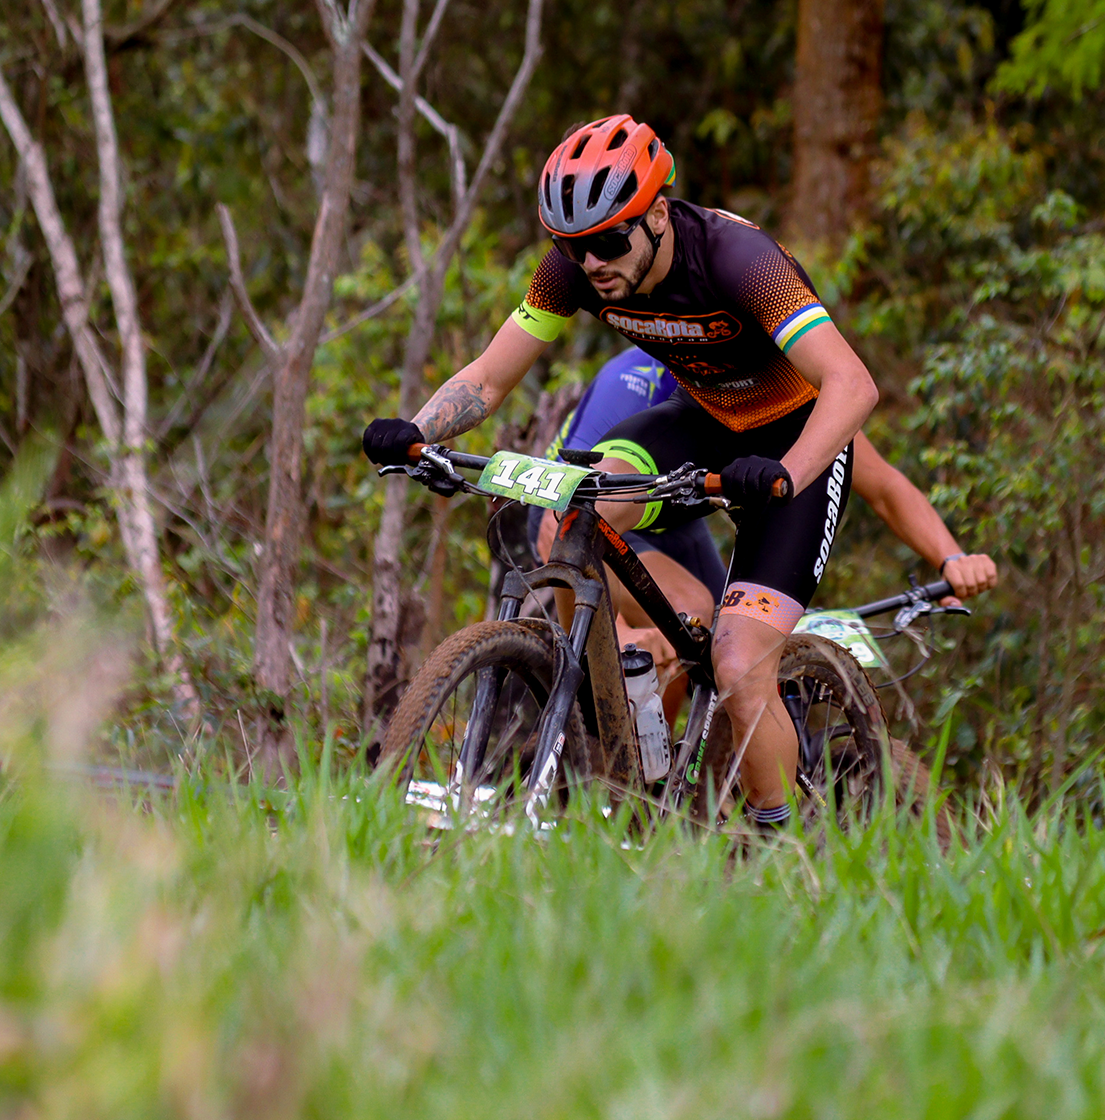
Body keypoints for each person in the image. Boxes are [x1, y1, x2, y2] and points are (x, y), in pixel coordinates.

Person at [364, 114, 882, 831]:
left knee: (736, 662)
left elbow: (853, 386)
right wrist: (417, 433)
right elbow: (489, 377)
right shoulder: (575, 268)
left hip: (793, 441)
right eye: (572, 249)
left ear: (659, 216)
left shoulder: (738, 260)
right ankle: (623, 719)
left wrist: (788, 475)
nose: (593, 262)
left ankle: (786, 851)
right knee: (581, 505)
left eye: (609, 241)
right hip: (702, 421)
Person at [528, 346, 997, 699]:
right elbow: (567, 516)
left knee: (723, 641)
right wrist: (620, 637)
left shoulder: (781, 389)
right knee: (684, 606)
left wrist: (951, 557)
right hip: (585, 509)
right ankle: (621, 766)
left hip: (676, 523)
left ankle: (660, 775)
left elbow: (885, 487)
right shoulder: (633, 379)